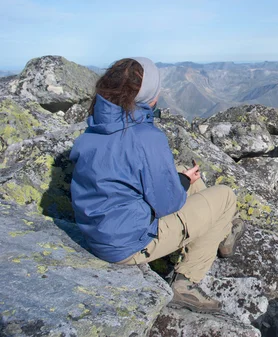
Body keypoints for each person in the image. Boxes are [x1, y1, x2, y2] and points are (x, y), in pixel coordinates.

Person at [69, 57, 244, 313]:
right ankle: (186, 282)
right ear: (148, 96)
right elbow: (168, 204)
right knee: (225, 196)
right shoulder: (146, 137)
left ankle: (222, 231)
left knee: (194, 185)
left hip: (99, 232)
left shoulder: (95, 129)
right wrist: (183, 181)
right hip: (128, 244)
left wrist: (185, 181)